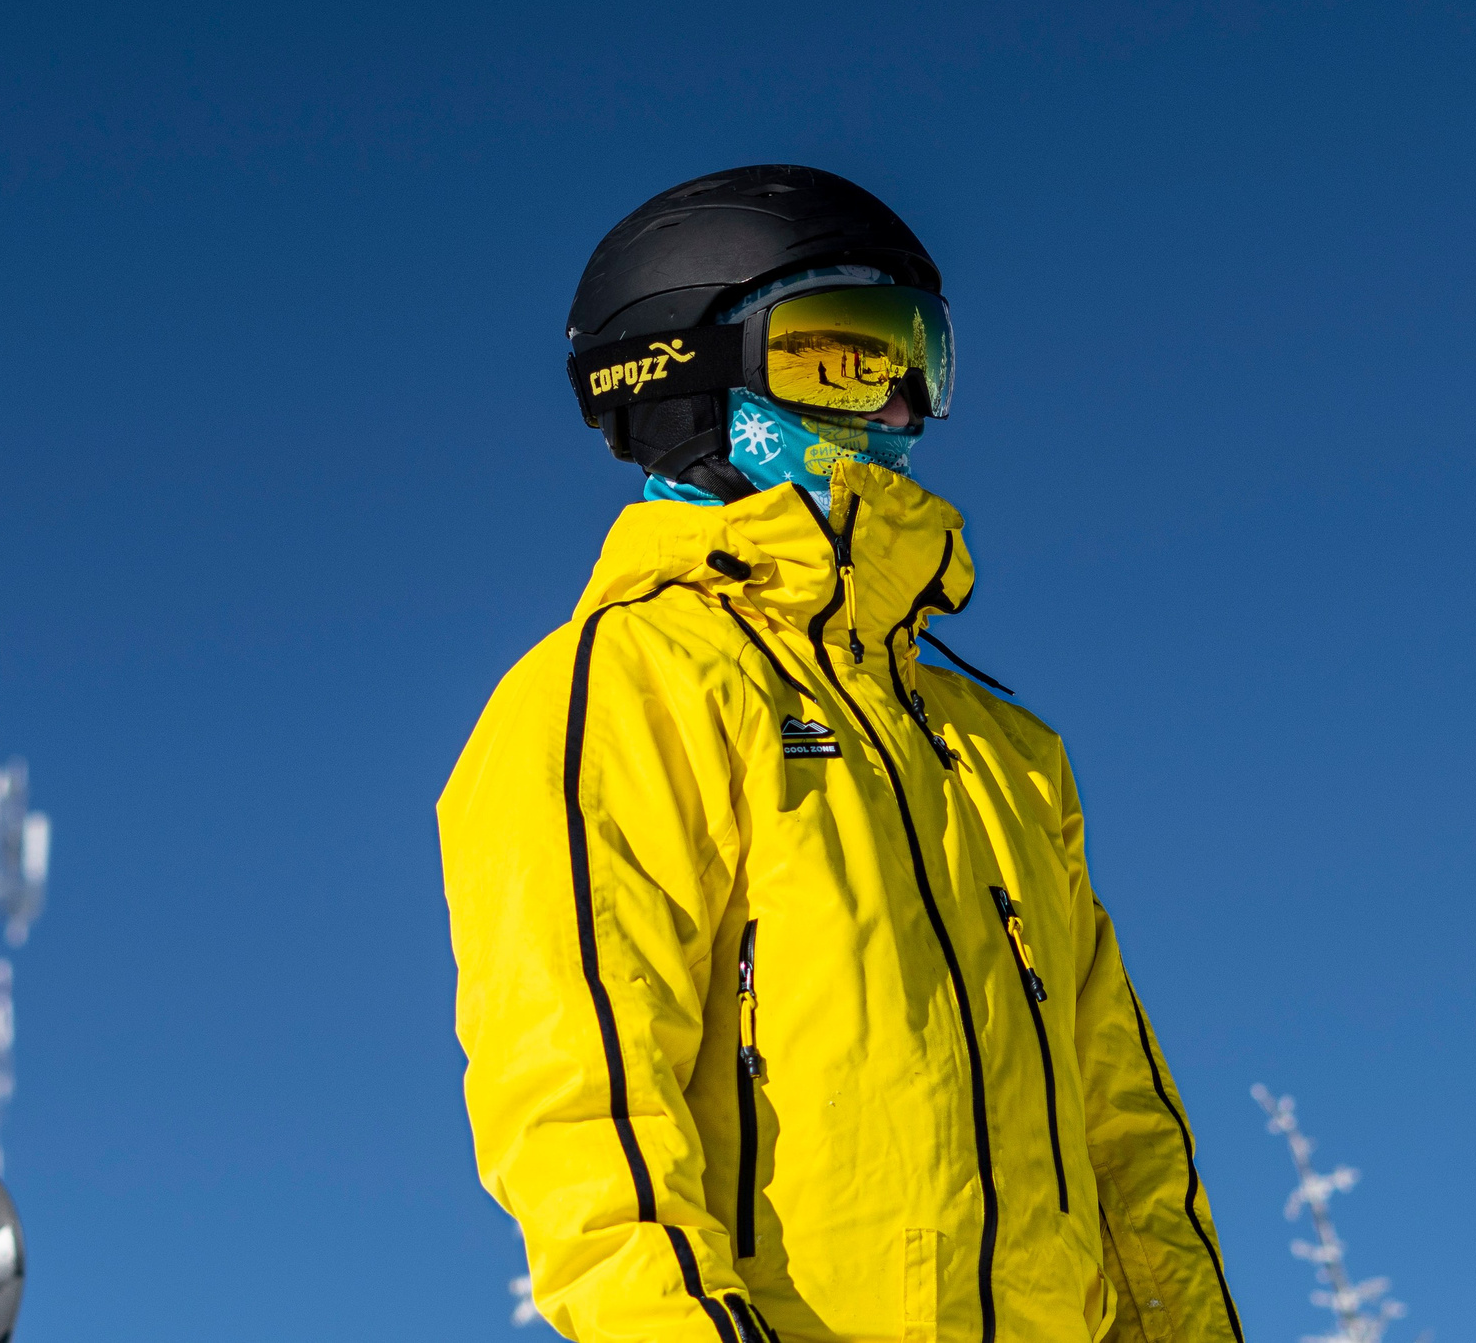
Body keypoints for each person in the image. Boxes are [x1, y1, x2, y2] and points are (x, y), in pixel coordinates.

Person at [437, 165, 1240, 1343]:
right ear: (684, 376)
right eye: (843, 355)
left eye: (919, 360)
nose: (895, 407)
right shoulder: (628, 687)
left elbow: (1126, 1128)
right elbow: (582, 1118)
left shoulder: (999, 753)